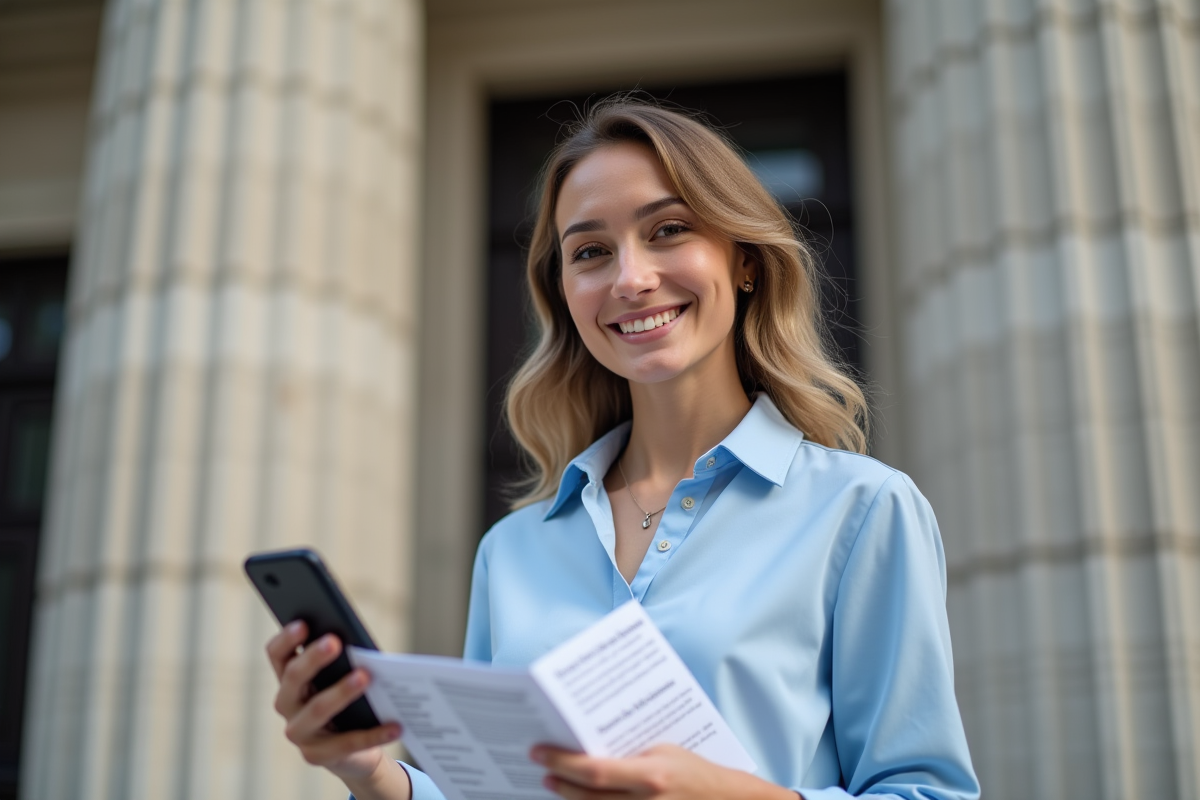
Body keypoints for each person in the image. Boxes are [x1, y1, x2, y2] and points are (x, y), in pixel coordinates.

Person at [265, 99, 981, 800]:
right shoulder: (511, 551)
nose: (630, 279)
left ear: (745, 261)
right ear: (566, 295)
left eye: (668, 230)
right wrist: (373, 774)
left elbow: (927, 792)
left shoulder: (862, 511)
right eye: (591, 252)